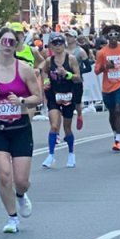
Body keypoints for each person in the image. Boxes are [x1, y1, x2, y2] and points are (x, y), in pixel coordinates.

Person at [0, 27, 44, 234]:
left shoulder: (24, 69)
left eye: (12, 42)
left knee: (21, 181)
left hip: (20, 129)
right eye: (4, 41)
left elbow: (38, 98)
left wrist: (22, 100)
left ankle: (21, 195)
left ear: (16, 44)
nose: (8, 45)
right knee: (4, 176)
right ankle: (12, 218)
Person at [40, 33, 81, 169]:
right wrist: (46, 81)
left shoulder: (71, 59)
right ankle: (51, 155)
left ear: (64, 45)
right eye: (55, 44)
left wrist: (67, 74)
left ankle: (71, 154)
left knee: (67, 127)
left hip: (68, 95)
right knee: (54, 126)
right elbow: (44, 72)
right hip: (54, 96)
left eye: (60, 43)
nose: (58, 46)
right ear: (51, 46)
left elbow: (78, 78)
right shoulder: (49, 61)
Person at [94, 25, 120, 152]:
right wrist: (106, 66)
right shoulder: (102, 52)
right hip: (107, 86)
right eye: (110, 35)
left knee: (118, 109)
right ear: (107, 37)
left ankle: (118, 140)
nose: (113, 37)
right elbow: (96, 71)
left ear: (119, 36)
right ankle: (115, 133)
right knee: (111, 112)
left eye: (116, 34)